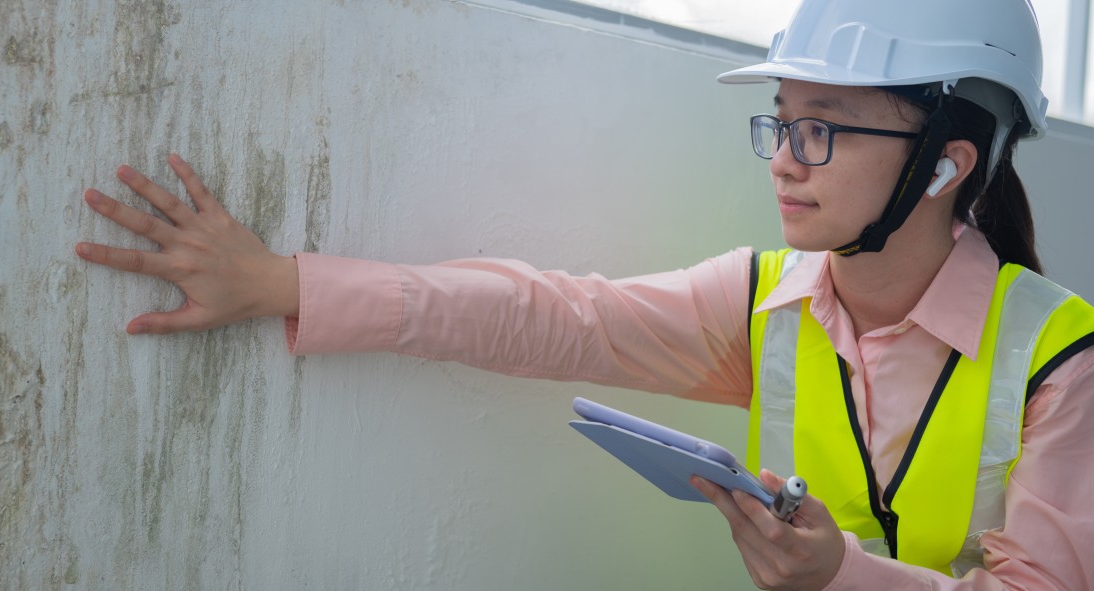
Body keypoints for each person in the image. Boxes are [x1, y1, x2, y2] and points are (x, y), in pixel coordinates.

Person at [75, 0, 1094, 588]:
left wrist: (838, 576)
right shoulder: (765, 306)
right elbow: (552, 318)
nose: (784, 159)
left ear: (947, 162)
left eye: (820, 127)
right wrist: (281, 282)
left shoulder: (1060, 357)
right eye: (780, 122)